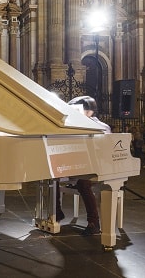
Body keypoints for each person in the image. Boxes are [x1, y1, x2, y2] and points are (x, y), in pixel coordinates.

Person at [56, 96, 110, 236]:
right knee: (53, 178)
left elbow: (104, 152)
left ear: (90, 112)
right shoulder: (74, 127)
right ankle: (56, 212)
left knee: (83, 183)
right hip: (78, 166)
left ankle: (94, 222)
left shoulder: (102, 127)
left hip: (96, 169)